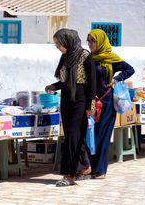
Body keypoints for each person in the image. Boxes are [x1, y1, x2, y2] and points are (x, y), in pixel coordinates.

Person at [45, 28, 96, 186]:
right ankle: (84, 167)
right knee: (71, 137)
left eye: (59, 44)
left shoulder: (85, 56)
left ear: (68, 41)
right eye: (56, 44)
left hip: (80, 101)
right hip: (66, 100)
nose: (58, 47)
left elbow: (92, 84)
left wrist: (90, 105)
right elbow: (65, 81)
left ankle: (69, 175)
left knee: (73, 138)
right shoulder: (65, 58)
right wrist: (54, 86)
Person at [87, 29, 135, 179]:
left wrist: (117, 78)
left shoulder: (111, 58)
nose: (90, 44)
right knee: (90, 134)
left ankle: (100, 170)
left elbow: (130, 69)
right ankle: (90, 168)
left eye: (92, 41)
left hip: (107, 103)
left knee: (103, 135)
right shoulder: (88, 58)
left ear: (100, 41)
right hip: (91, 102)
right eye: (88, 40)